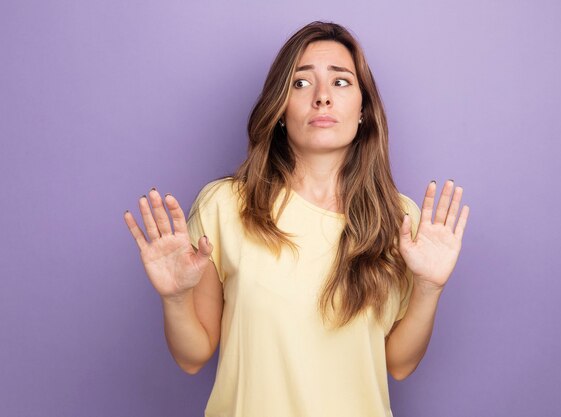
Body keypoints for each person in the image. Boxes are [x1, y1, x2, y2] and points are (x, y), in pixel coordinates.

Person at [123, 21, 469, 417]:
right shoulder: (225, 206)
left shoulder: (400, 219)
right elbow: (193, 356)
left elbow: (399, 364)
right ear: (281, 109)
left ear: (363, 110)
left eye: (341, 82)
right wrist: (175, 298)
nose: (322, 97)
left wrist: (429, 288)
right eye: (302, 83)